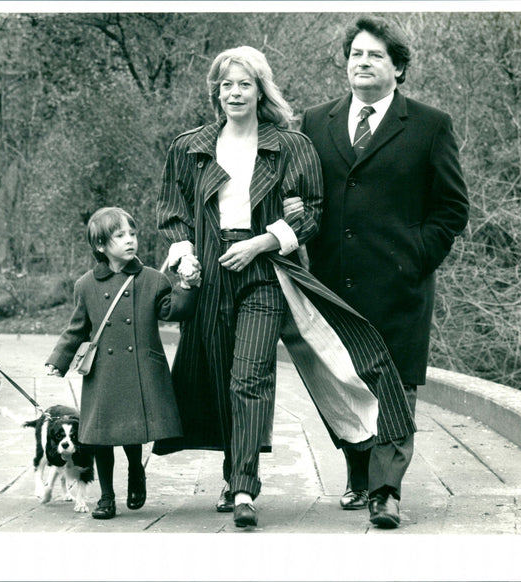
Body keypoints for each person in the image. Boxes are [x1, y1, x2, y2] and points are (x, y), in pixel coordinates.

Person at [298, 16, 469, 528]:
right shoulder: (315, 122)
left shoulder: (429, 124)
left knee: (394, 386)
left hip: (400, 285)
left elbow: (452, 209)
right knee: (344, 385)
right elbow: (304, 197)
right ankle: (358, 469)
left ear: (398, 67)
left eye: (374, 55)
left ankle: (386, 491)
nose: (362, 63)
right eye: (355, 54)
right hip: (332, 287)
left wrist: (415, 258)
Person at [154, 46, 323, 528]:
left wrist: (263, 242)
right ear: (216, 92)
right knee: (215, 373)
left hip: (263, 273)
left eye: (244, 84)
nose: (234, 93)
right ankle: (232, 474)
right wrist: (184, 254)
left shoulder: (290, 145)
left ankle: (245, 486)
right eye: (226, 84)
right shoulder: (190, 146)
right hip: (208, 274)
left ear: (260, 90)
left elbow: (311, 213)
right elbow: (172, 212)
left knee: (250, 375)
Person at [45, 207, 200, 520]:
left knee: (131, 431)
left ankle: (135, 472)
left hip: (139, 368)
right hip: (103, 372)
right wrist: (57, 360)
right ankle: (106, 497)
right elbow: (77, 328)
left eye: (133, 234)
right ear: (101, 245)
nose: (130, 240)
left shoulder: (153, 280)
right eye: (120, 236)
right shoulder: (86, 285)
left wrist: (187, 286)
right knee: (100, 435)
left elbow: (173, 311)